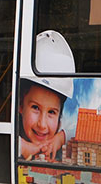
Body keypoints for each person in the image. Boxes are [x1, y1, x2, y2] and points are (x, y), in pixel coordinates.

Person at [18, 30, 75, 161]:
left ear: (60, 117)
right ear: (20, 105)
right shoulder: (11, 140)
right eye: (35, 108)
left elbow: (79, 129)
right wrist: (23, 147)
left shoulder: (59, 143)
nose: (42, 125)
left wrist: (61, 137)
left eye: (51, 112)